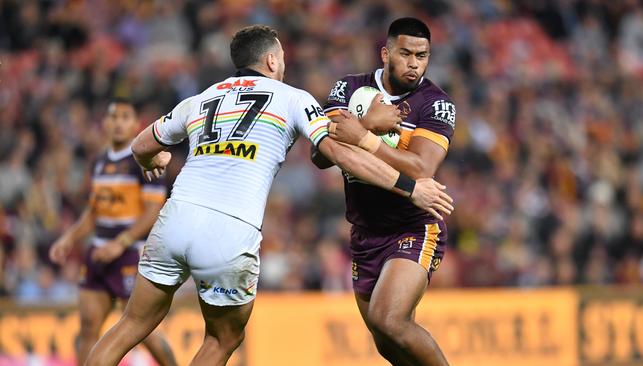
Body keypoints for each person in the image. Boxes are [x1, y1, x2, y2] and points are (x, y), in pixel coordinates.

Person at [84, 25, 453, 366]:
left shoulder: (202, 98)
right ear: (272, 60)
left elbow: (140, 144)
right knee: (221, 338)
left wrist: (155, 157)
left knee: (131, 323)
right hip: (229, 231)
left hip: (176, 219)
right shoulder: (292, 99)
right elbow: (337, 153)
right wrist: (406, 185)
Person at [312, 17, 455, 365]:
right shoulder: (347, 88)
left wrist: (364, 138)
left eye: (422, 56)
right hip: (364, 232)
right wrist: (365, 123)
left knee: (387, 319)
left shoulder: (435, 103)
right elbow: (319, 154)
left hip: (413, 227)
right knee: (386, 342)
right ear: (385, 53)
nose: (414, 63)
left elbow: (422, 168)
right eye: (405, 53)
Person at [49, 99, 177, 366]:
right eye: (113, 117)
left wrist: (121, 243)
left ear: (135, 124)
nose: (118, 122)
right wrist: (69, 238)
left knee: (145, 332)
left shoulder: (145, 160)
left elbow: (153, 211)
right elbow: (94, 211)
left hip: (130, 254)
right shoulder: (98, 162)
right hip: (98, 252)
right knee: (87, 329)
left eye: (125, 117)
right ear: (105, 123)